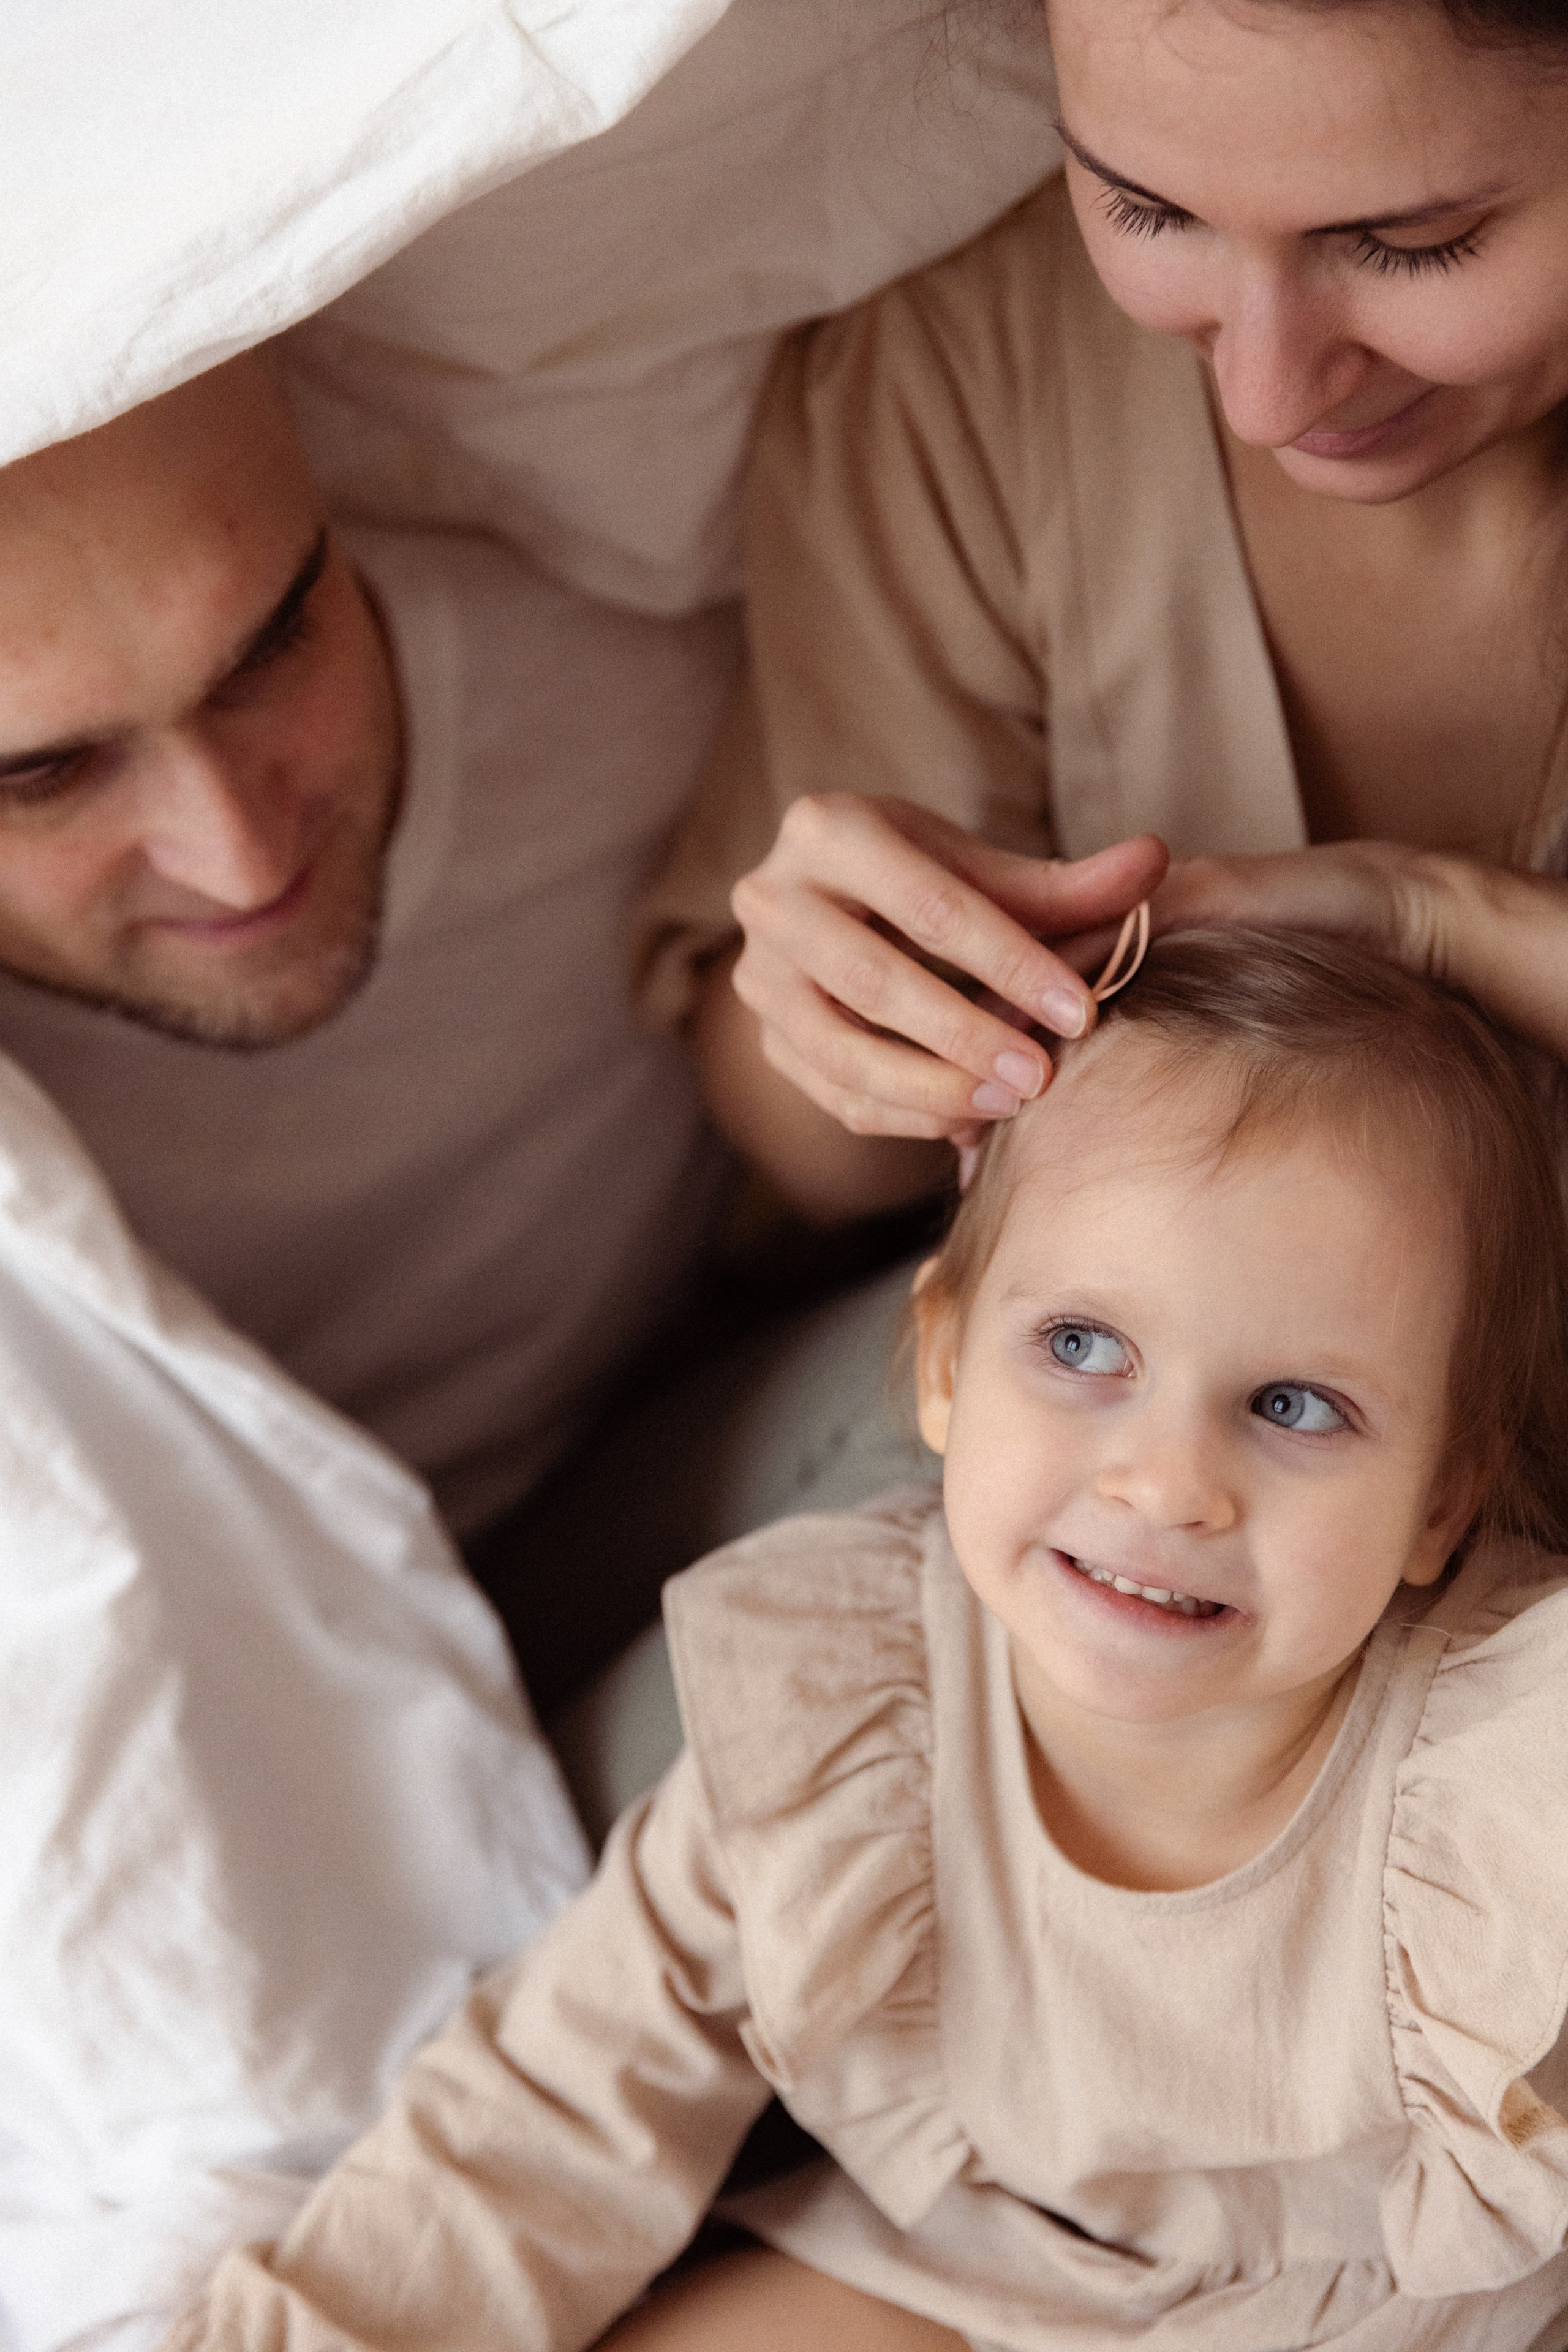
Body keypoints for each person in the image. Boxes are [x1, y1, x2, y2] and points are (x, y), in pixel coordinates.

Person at [161, 929, 1568, 2352]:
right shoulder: (854, 1705)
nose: (1164, 1486)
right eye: (1082, 1348)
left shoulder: (1504, 1785)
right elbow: (558, 2108)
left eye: (1292, 1408)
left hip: (1379, 2310)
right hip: (967, 2263)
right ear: (948, 1368)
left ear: (1441, 1501)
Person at [632, 0, 1568, 1223]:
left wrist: (1444, 926)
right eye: (1149, 210)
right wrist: (853, 1012)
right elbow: (818, 1176)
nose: (1263, 400)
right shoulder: (975, 370)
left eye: (1407, 242)